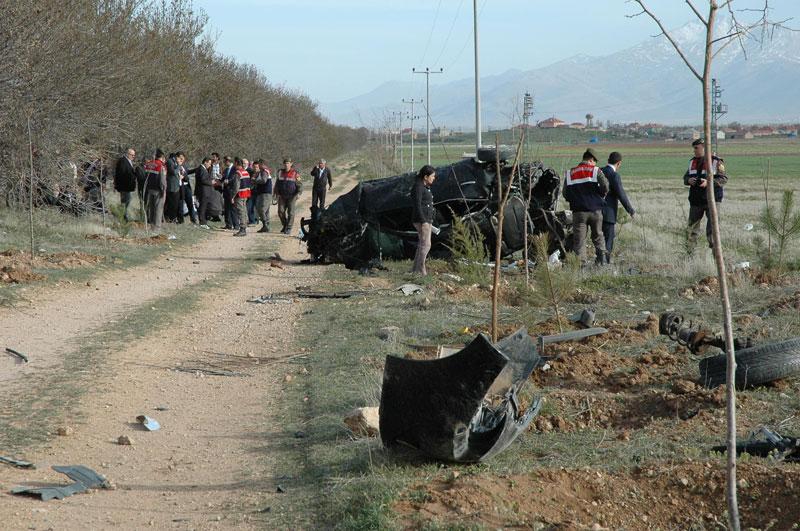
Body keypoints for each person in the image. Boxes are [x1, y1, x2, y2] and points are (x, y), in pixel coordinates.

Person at [563, 148, 609, 265]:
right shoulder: (596, 171)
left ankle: (581, 265)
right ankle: (602, 261)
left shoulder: (569, 173)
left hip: (579, 212)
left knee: (579, 240)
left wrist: (574, 199)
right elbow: (605, 186)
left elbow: (565, 193)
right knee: (598, 235)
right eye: (594, 162)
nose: (595, 164)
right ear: (590, 159)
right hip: (596, 210)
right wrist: (600, 195)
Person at [684, 138, 727, 252]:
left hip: (712, 200)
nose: (694, 150)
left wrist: (709, 183)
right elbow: (685, 177)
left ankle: (716, 258)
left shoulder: (716, 161)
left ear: (704, 147)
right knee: (691, 229)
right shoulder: (692, 161)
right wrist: (688, 180)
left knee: (712, 231)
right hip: (696, 201)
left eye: (696, 148)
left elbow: (723, 180)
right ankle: (689, 254)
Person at [600, 151, 635, 260]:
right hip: (608, 213)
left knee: (597, 238)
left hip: (595, 211)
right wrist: (631, 211)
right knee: (608, 239)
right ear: (619, 163)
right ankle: (605, 262)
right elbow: (621, 194)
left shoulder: (599, 171)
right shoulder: (614, 175)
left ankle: (599, 260)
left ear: (608, 160)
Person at [411, 165, 436, 276]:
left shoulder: (424, 187)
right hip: (422, 220)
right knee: (426, 244)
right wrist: (423, 221)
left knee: (422, 244)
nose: (434, 178)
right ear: (426, 176)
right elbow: (417, 205)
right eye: (432, 176)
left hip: (426, 219)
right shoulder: (418, 187)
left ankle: (415, 269)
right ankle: (421, 268)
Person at [275, 158, 302, 234]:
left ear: (291, 164)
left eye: (288, 163)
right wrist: (276, 193)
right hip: (282, 196)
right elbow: (277, 184)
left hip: (292, 196)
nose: (286, 164)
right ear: (283, 164)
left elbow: (300, 185)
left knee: (291, 213)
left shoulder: (295, 173)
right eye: (285, 163)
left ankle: (289, 227)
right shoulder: (280, 172)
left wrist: (299, 193)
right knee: (281, 211)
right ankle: (285, 225)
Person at [143, 149, 167, 230]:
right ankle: (157, 227)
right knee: (158, 209)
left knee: (152, 208)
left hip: (150, 189)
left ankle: (151, 225)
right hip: (158, 190)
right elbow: (162, 180)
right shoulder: (161, 166)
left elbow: (145, 177)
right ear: (162, 156)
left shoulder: (148, 164)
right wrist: (163, 190)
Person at [188, 157, 214, 228]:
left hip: (205, 191)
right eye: (209, 163)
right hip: (203, 191)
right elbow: (203, 180)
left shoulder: (203, 169)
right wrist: (211, 182)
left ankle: (204, 222)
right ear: (205, 162)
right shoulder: (201, 169)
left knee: (204, 207)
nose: (209, 165)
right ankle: (202, 222)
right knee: (202, 207)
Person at [113, 148, 137, 221]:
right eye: (132, 155)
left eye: (134, 155)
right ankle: (123, 217)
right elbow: (122, 174)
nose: (133, 156)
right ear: (127, 154)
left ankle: (123, 216)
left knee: (127, 201)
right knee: (125, 202)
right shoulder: (123, 161)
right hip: (124, 187)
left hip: (127, 187)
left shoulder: (128, 161)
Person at [230, 157, 251, 236]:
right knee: (244, 210)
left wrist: (232, 196)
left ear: (236, 163)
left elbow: (236, 187)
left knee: (240, 211)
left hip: (239, 195)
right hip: (245, 194)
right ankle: (244, 226)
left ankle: (242, 229)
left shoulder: (238, 173)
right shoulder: (245, 172)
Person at [252, 159, 273, 233]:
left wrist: (255, 180)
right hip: (262, 192)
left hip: (265, 192)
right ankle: (266, 225)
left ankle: (265, 225)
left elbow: (264, 180)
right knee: (264, 210)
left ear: (262, 164)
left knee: (261, 209)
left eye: (259, 164)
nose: (258, 166)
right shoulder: (261, 172)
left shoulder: (264, 171)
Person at [164, 152, 184, 222]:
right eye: (179, 158)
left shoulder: (174, 162)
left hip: (176, 186)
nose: (180, 160)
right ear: (176, 157)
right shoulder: (170, 161)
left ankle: (173, 218)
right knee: (172, 204)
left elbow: (176, 173)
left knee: (176, 203)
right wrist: (179, 165)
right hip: (172, 187)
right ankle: (170, 218)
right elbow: (173, 172)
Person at [220, 156, 236, 229]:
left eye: (225, 162)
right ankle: (228, 224)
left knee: (233, 208)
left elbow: (234, 178)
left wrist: (229, 181)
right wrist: (219, 178)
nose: (224, 163)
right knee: (226, 208)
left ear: (228, 161)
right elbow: (223, 178)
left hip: (232, 191)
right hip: (226, 191)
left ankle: (236, 225)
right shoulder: (226, 170)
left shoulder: (234, 169)